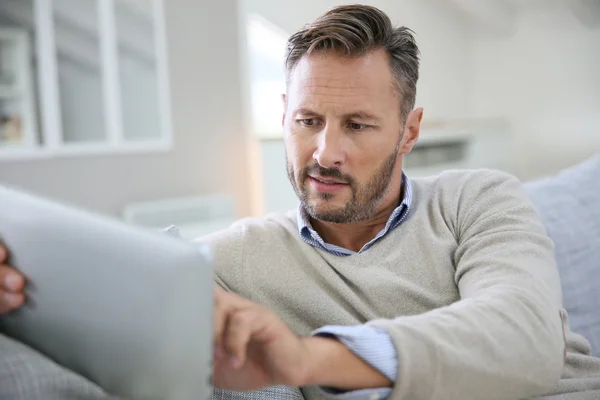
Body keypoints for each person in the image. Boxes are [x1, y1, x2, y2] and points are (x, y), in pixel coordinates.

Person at [1, 4, 599, 400]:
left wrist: (308, 360)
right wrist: (15, 273)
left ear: (409, 132)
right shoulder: (242, 254)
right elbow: (115, 279)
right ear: (284, 117)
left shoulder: (479, 199)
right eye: (308, 120)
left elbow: (523, 333)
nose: (325, 152)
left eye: (358, 125)